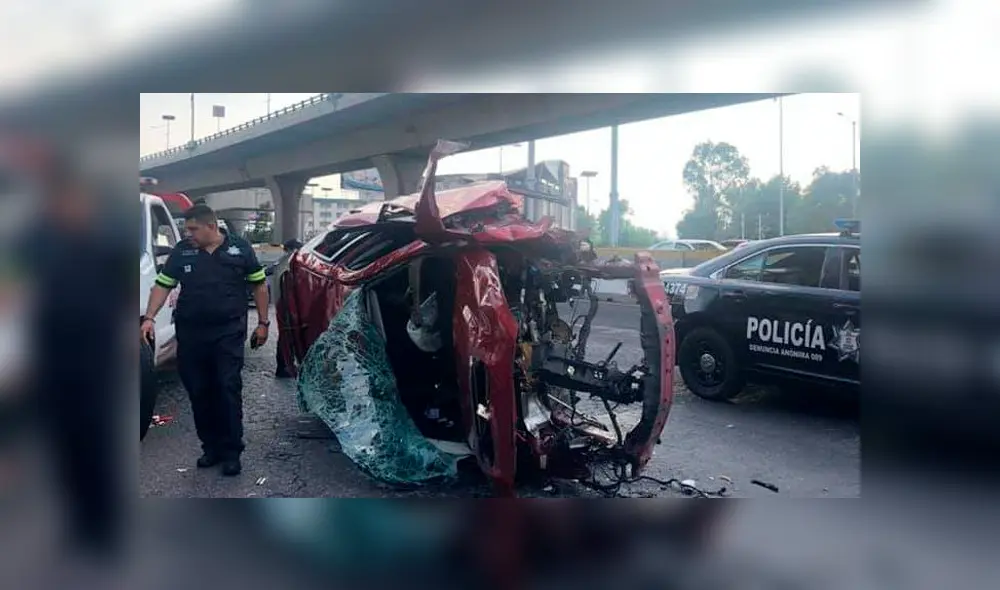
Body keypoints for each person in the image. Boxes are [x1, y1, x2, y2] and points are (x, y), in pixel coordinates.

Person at [140, 204, 269, 476]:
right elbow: (163, 284)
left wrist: (263, 323)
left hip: (229, 331)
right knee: (199, 391)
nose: (189, 234)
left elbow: (258, 284)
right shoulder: (182, 251)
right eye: (187, 229)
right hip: (191, 333)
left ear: (211, 226)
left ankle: (232, 450)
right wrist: (149, 317)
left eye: (193, 229)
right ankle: (211, 447)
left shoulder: (240, 249)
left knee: (227, 387)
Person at [273, 238, 302, 378]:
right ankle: (284, 367)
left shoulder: (282, 261)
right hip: (286, 304)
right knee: (287, 336)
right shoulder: (289, 262)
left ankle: (285, 365)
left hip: (281, 303)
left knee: (285, 336)